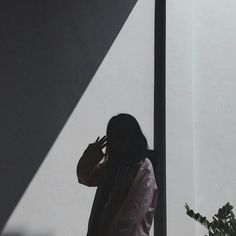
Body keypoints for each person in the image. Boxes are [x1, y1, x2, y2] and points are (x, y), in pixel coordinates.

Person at [77, 113, 158, 236]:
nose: (117, 144)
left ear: (133, 138)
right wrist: (92, 153)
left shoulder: (143, 168)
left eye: (121, 138)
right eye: (113, 139)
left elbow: (131, 215)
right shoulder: (113, 166)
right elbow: (85, 177)